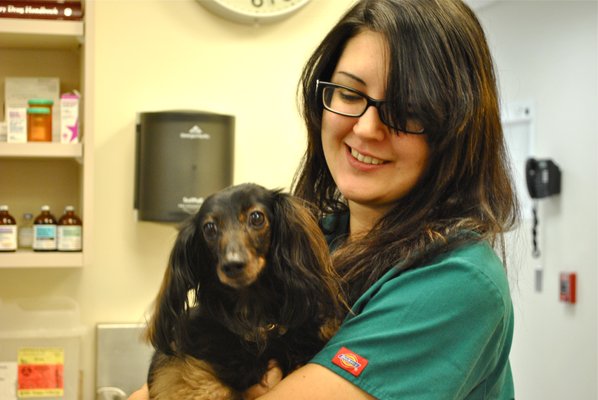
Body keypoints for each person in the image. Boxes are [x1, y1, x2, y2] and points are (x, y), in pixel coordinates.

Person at [129, 0, 518, 398]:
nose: (367, 128)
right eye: (349, 94)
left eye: (407, 108)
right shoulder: (313, 244)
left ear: (457, 127)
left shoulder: (455, 282)